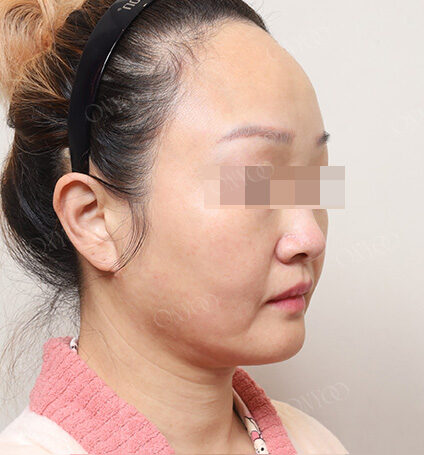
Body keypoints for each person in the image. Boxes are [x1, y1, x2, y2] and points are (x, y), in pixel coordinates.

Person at [0, 0, 348, 454]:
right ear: (95, 219)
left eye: (313, 179)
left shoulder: (316, 443)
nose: (310, 238)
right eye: (255, 182)